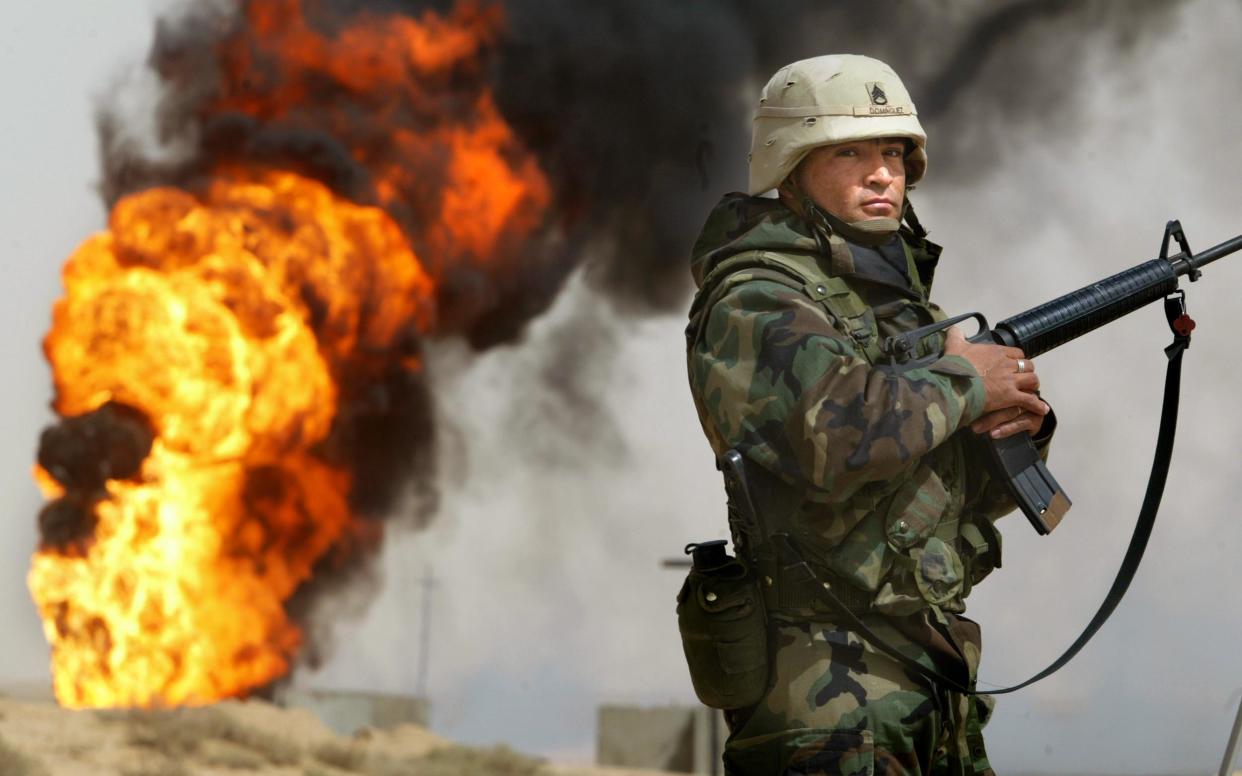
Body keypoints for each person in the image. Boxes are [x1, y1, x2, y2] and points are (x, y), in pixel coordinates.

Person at [684, 54, 1055, 775]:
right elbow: (834, 436)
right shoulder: (757, 297)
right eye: (849, 151)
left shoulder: (900, 308)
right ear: (790, 168)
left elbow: (940, 497)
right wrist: (965, 385)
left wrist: (1009, 427)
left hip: (929, 679)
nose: (882, 172)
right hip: (828, 692)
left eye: (894, 153)